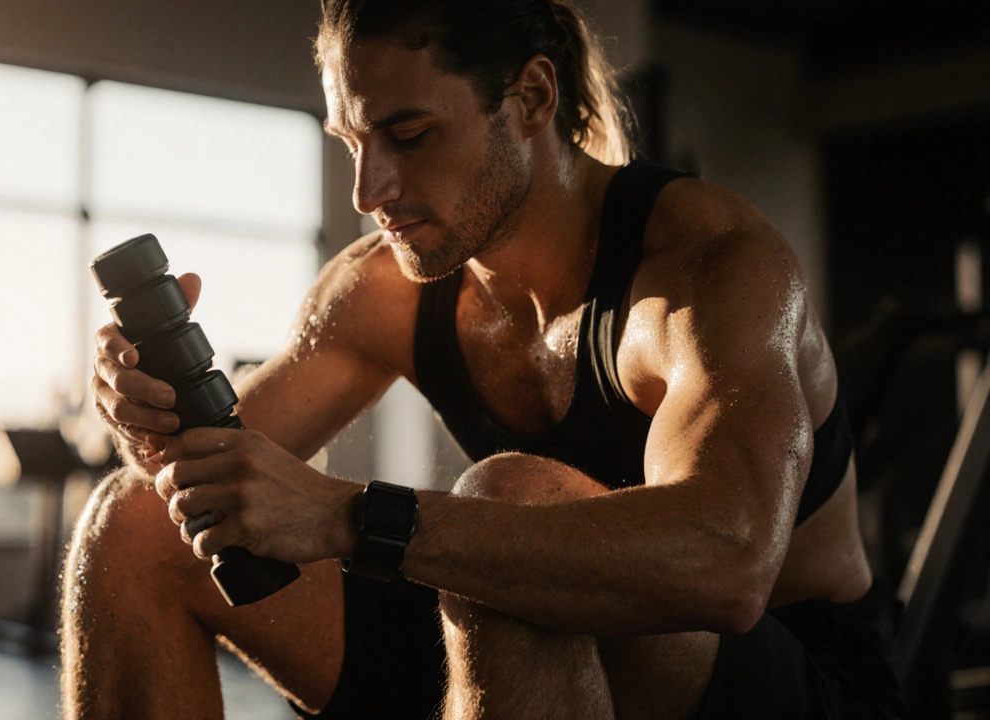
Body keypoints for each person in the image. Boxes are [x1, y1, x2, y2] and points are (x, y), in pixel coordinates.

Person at [67, 0, 908, 717]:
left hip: (783, 681)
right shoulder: (384, 290)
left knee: (513, 502)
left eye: (408, 133)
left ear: (531, 98)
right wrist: (152, 416)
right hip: (501, 636)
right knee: (133, 521)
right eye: (353, 140)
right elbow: (229, 480)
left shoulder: (702, 268)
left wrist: (350, 515)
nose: (370, 191)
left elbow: (728, 565)